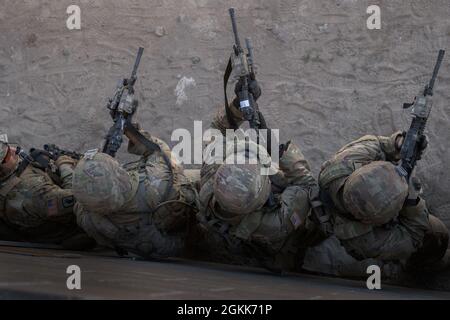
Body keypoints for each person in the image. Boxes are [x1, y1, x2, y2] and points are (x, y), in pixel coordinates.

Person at [193, 79, 329, 272]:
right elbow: (307, 186)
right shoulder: (274, 223)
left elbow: (219, 128)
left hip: (226, 227)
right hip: (271, 243)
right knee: (315, 206)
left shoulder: (210, 179)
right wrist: (283, 155)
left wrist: (238, 106)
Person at [304, 132, 449, 279]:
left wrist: (399, 143)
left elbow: (379, 144)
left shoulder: (346, 162)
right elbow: (414, 235)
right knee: (436, 233)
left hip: (337, 213)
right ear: (370, 221)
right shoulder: (365, 241)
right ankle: (416, 267)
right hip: (355, 239)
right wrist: (412, 202)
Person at [72, 127, 199, 260]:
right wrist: (133, 132)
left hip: (149, 243)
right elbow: (160, 152)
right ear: (119, 176)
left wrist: (64, 165)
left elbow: (79, 195)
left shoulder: (87, 219)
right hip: (185, 224)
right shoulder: (153, 189)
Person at [0, 141, 95, 249]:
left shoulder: (9, 178)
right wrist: (65, 166)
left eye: (7, 146)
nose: (13, 149)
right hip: (68, 228)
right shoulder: (34, 193)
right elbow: (79, 199)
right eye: (8, 155)